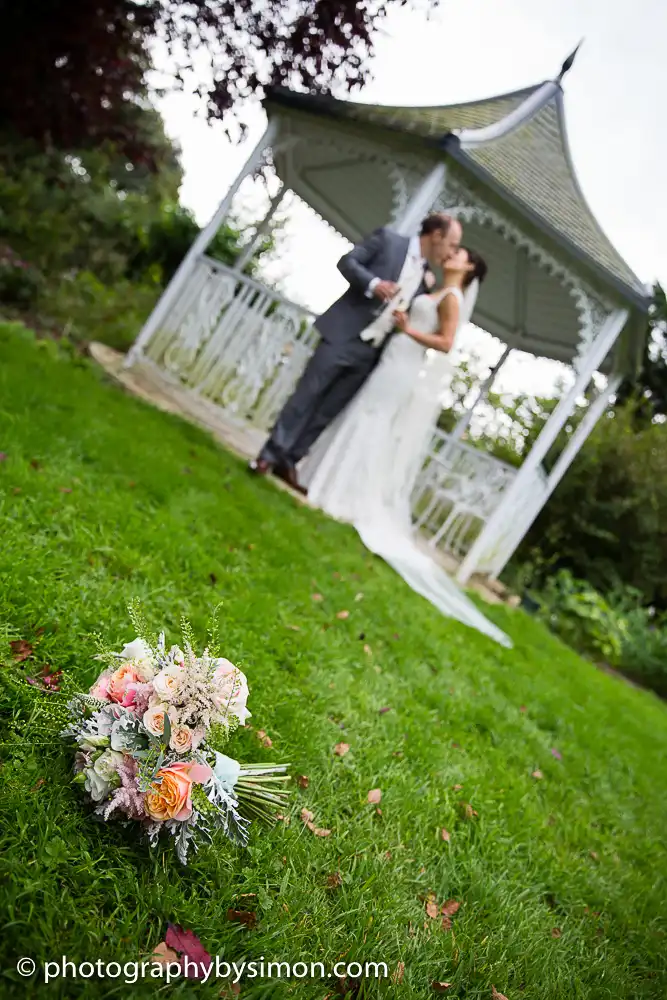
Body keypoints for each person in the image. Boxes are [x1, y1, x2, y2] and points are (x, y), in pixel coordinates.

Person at [299, 245, 512, 648]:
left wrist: (408, 329)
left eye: (459, 254)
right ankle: (322, 478)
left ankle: (345, 495)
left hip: (404, 365)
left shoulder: (452, 299)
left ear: (468, 268)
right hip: (391, 358)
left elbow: (447, 343)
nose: (450, 255)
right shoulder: (433, 289)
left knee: (372, 422)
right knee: (362, 416)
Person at [248, 214, 462, 493]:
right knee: (305, 397)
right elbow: (347, 262)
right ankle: (268, 456)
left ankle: (289, 460)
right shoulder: (388, 240)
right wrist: (374, 284)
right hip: (343, 335)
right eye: (451, 243)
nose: (450, 252)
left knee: (328, 411)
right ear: (436, 236)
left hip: (371, 353)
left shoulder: (426, 278)